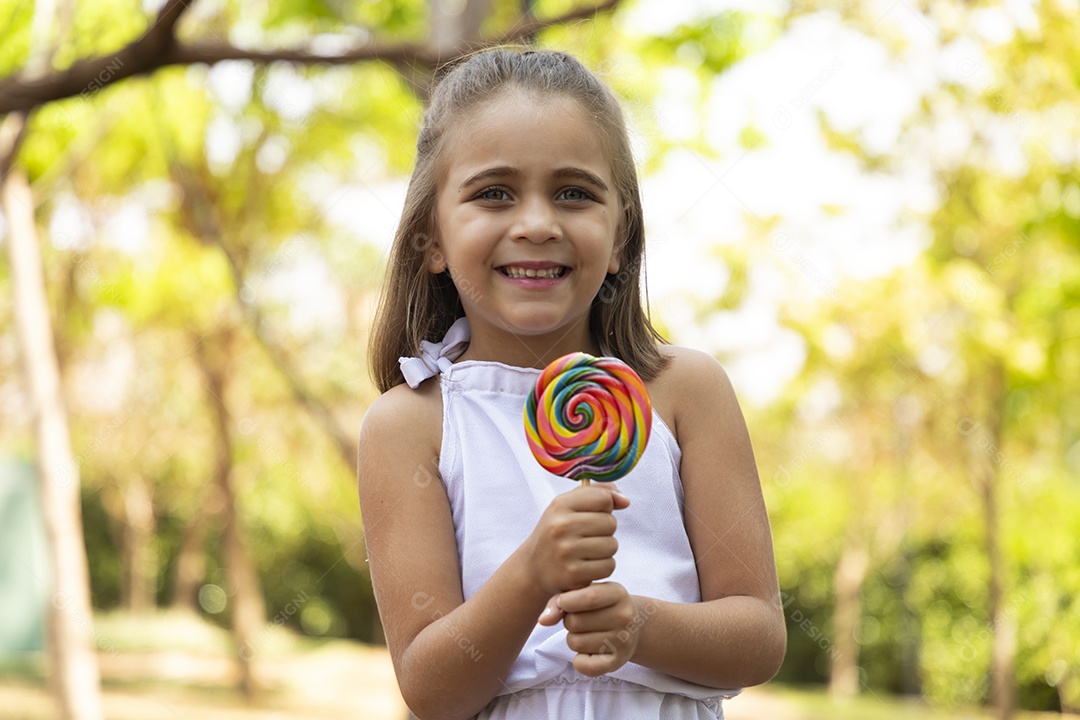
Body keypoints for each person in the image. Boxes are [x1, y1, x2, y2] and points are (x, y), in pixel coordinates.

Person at [358, 48, 786, 720]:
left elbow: (759, 635)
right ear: (430, 239)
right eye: (493, 192)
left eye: (575, 193)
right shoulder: (410, 423)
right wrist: (531, 574)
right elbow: (432, 691)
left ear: (621, 237)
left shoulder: (684, 391)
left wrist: (642, 625)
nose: (537, 223)